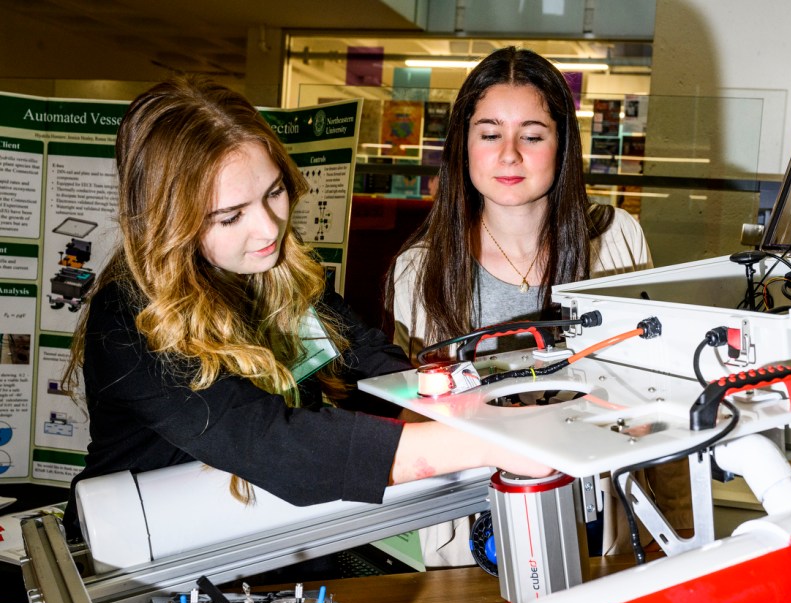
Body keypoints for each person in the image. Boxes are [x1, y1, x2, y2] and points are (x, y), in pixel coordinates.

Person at [60, 74, 552, 543]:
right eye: (231, 216)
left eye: (274, 192)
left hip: (252, 542)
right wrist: (492, 443)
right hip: (135, 560)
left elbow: (373, 366)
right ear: (169, 222)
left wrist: (478, 404)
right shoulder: (131, 315)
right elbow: (274, 444)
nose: (270, 228)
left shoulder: (275, 274)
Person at [386, 47, 674, 566]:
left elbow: (660, 388)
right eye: (490, 133)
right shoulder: (419, 268)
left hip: (598, 519)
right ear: (463, 145)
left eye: (533, 135)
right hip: (470, 534)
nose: (510, 154)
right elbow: (411, 421)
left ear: (562, 146)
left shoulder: (615, 240)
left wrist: (670, 526)